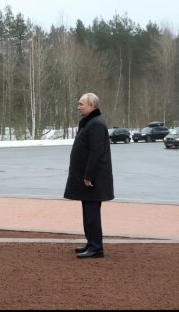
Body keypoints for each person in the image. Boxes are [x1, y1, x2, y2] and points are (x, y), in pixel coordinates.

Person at [63, 92, 114, 259]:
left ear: (92, 105)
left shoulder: (96, 124)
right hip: (88, 179)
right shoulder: (90, 123)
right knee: (88, 212)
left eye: (81, 104)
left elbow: (96, 152)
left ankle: (96, 248)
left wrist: (89, 176)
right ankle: (91, 243)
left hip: (94, 180)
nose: (78, 107)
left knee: (92, 213)